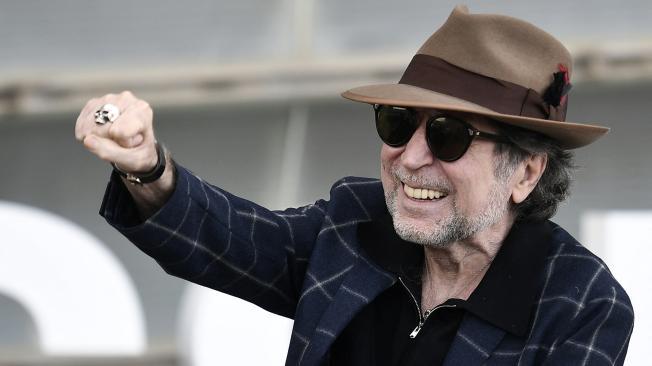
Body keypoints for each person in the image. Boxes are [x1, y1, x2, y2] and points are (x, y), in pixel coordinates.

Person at [75, 5, 634, 365]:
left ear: (526, 172)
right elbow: (222, 239)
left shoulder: (582, 301)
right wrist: (145, 164)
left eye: (448, 135)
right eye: (396, 122)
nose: (409, 158)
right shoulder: (352, 223)